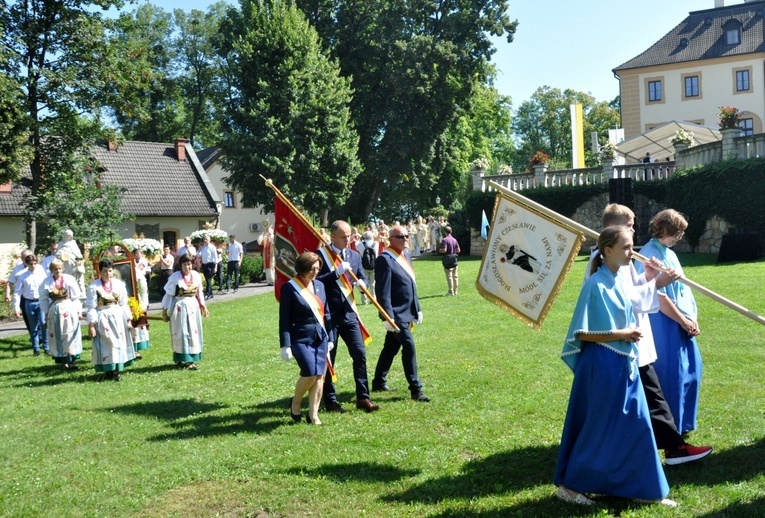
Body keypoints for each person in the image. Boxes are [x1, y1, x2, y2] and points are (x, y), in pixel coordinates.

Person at [555, 226, 675, 508]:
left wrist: (656, 278)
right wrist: (622, 334)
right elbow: (580, 333)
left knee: (636, 426)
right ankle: (570, 488)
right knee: (599, 428)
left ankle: (642, 488)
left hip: (624, 363)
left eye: (632, 246)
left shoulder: (620, 278)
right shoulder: (595, 285)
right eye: (625, 247)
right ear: (607, 250)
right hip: (603, 366)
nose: (631, 252)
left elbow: (638, 301)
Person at [586, 204, 712, 465]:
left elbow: (633, 287)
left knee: (649, 397)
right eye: (630, 224)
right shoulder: (606, 259)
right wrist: (657, 283)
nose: (635, 228)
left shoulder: (624, 255)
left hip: (633, 342)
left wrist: (649, 276)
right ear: (615, 227)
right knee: (638, 399)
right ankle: (666, 449)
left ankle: (668, 448)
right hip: (619, 345)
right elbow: (624, 299)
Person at [636, 209, 702, 434]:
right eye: (677, 232)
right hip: (665, 323)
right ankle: (669, 429)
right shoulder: (649, 254)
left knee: (690, 372)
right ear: (664, 228)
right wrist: (682, 321)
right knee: (672, 376)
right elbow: (656, 295)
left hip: (681, 321)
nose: (680, 237)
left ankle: (683, 424)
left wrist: (691, 318)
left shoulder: (669, 253)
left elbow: (683, 290)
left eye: (683, 233)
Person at [316, 221, 380, 413]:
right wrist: (336, 273)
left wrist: (363, 284)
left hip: (350, 313)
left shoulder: (354, 255)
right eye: (343, 237)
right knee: (330, 358)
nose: (348, 239)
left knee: (359, 354)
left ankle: (363, 397)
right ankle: (330, 400)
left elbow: (360, 276)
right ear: (332, 237)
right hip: (329, 315)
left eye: (349, 236)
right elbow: (315, 282)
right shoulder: (321, 256)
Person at [371, 224, 429, 402]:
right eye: (401, 237)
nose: (405, 239)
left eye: (406, 236)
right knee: (408, 346)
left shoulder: (406, 255)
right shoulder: (385, 259)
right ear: (390, 239)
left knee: (391, 347)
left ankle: (378, 381)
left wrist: (417, 308)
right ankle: (416, 389)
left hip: (407, 311)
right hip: (395, 315)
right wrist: (387, 317)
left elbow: (411, 285)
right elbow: (382, 291)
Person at [280, 252, 334, 425]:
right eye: (311, 269)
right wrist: (285, 345)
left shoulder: (320, 285)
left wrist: (331, 337)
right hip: (300, 338)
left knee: (320, 376)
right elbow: (284, 318)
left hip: (321, 338)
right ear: (302, 268)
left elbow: (326, 313)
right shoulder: (290, 287)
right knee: (310, 373)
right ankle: (296, 401)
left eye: (317, 269)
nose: (315, 272)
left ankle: (313, 414)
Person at [86, 259, 135, 381]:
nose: (107, 274)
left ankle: (117, 370)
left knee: (118, 343)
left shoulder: (119, 284)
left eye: (110, 271)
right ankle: (108, 368)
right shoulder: (94, 286)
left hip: (118, 316)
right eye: (105, 271)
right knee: (109, 343)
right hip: (103, 317)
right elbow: (91, 307)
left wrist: (129, 320)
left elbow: (124, 303)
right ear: (100, 271)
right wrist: (91, 325)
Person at [162, 253, 209, 370]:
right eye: (184, 264)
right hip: (179, 307)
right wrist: (164, 312)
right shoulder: (175, 278)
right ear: (180, 265)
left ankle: (191, 360)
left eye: (189, 264)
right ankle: (180, 357)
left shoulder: (196, 276)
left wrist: (203, 306)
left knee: (193, 332)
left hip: (193, 307)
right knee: (181, 332)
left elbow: (199, 292)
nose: (187, 267)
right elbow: (168, 295)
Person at [40, 258, 83, 370]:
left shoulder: (69, 279)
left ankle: (71, 360)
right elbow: (43, 299)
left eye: (59, 268)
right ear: (51, 270)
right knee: (58, 334)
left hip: (69, 308)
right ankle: (63, 361)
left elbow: (75, 297)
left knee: (69, 333)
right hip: (55, 310)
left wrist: (78, 311)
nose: (58, 271)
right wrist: (46, 314)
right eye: (55, 269)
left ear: (62, 268)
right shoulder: (47, 282)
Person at [13, 253, 50, 356]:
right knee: (33, 326)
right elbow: (17, 292)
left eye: (34, 263)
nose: (33, 266)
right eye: (30, 264)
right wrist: (16, 307)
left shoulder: (41, 273)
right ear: (26, 264)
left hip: (40, 301)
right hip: (29, 302)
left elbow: (46, 286)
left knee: (43, 323)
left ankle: (46, 347)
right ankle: (36, 349)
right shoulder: (22, 276)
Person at [5, 249, 35, 338]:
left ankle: (42, 338)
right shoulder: (17, 269)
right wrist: (7, 294)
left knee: (40, 319)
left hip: (36, 296)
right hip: (23, 298)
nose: (28, 259)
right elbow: (10, 282)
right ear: (22, 258)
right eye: (25, 257)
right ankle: (34, 338)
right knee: (28, 319)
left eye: (29, 256)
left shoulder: (38, 268)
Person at [131, 248, 151, 359]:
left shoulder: (137, 272)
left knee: (136, 325)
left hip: (137, 301)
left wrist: (144, 304)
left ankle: (136, 349)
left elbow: (143, 288)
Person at [56, 229, 85, 294]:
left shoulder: (73, 243)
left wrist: (77, 259)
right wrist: (61, 255)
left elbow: (78, 254)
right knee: (65, 276)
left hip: (73, 263)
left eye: (69, 236)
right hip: (64, 264)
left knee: (74, 276)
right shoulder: (61, 243)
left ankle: (76, 291)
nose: (68, 237)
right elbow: (57, 254)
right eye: (67, 236)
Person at [355, 231, 380, 306]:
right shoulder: (376, 244)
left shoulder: (361, 244)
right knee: (373, 284)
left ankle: (364, 300)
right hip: (374, 265)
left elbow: (356, 247)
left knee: (363, 284)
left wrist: (360, 239)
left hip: (364, 266)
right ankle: (373, 299)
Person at [439, 226, 460, 296]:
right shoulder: (454, 240)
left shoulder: (444, 240)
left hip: (447, 259)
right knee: (455, 276)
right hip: (454, 259)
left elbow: (444, 250)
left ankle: (451, 292)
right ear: (451, 232)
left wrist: (440, 250)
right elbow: (458, 250)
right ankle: (455, 291)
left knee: (449, 276)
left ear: (445, 232)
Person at [197, 234, 218, 300]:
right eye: (204, 239)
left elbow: (215, 258)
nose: (205, 240)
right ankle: (211, 293)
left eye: (206, 239)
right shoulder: (203, 247)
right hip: (204, 265)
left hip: (210, 264)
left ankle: (207, 293)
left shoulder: (212, 247)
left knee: (209, 279)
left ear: (209, 240)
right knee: (207, 280)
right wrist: (199, 249)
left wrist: (215, 267)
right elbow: (198, 255)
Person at [258, 220, 276, 286]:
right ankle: (268, 281)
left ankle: (273, 280)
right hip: (266, 255)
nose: (267, 232)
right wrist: (262, 234)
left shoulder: (272, 237)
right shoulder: (264, 238)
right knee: (268, 268)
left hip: (272, 255)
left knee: (272, 267)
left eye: (269, 232)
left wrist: (271, 234)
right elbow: (259, 242)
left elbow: (273, 241)